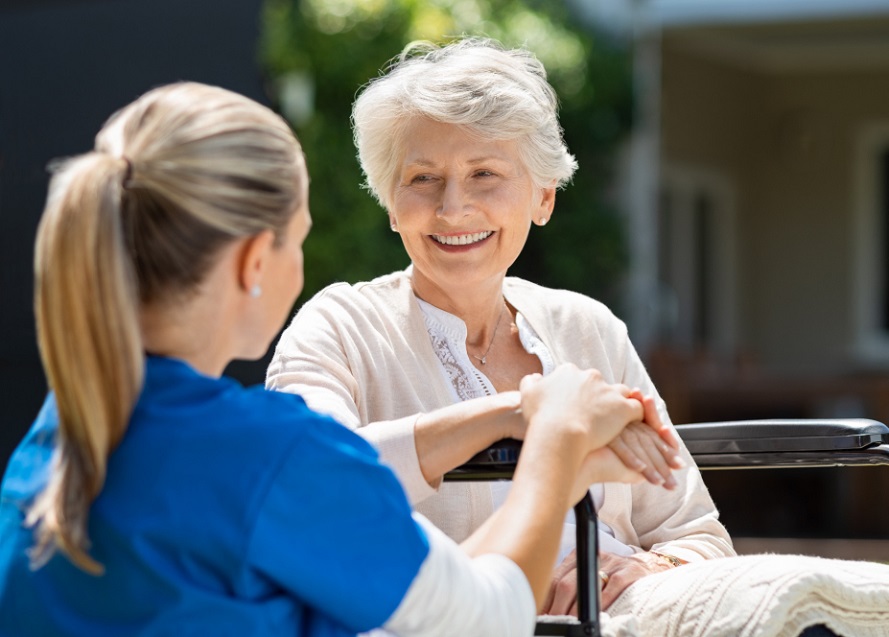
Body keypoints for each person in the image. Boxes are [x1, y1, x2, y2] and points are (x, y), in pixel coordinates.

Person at [0, 81, 675, 636]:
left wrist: (508, 414)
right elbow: (490, 615)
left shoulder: (59, 434)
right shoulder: (270, 454)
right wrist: (554, 436)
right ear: (251, 263)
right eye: (299, 239)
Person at [265, 37, 735, 615]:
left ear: (543, 197)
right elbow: (311, 484)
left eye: (484, 173)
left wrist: (644, 566)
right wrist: (521, 414)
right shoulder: (338, 327)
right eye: (422, 179)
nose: (453, 208)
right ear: (391, 204)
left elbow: (698, 535)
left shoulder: (589, 329)